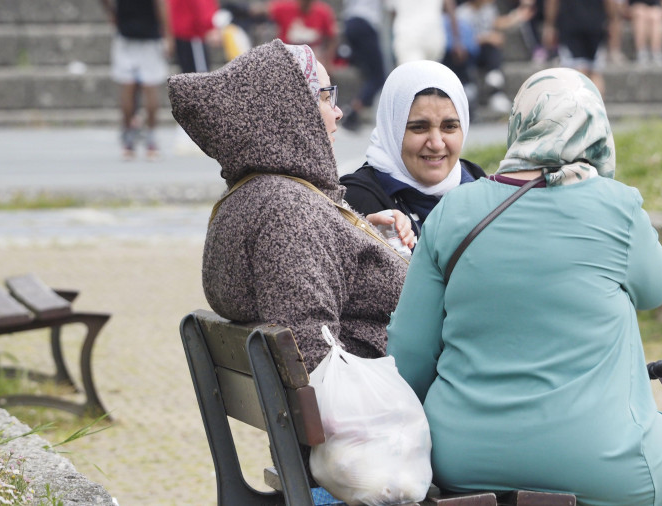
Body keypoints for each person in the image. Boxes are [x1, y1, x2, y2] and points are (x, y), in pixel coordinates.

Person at [386, 68, 662, 505]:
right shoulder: (615, 205)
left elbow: (410, 354)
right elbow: (658, 286)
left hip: (465, 457)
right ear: (596, 130)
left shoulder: (454, 209)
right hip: (600, 462)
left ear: (519, 125)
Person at [168, 40, 413, 372]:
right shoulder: (289, 214)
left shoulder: (259, 198)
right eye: (326, 97)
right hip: (390, 400)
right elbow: (314, 356)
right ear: (290, 110)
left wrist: (358, 237)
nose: (338, 111)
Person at [340, 60, 487, 239]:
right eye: (419, 127)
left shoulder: (477, 184)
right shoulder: (357, 201)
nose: (437, 143)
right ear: (392, 130)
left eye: (449, 127)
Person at [99, 0, 174, 160]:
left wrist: (112, 13)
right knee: (150, 87)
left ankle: (128, 139)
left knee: (127, 87)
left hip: (126, 34)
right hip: (150, 37)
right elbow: (161, 4)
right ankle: (151, 139)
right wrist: (168, 35)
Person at [442, 0, 534, 114]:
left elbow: (497, 23)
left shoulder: (488, 9)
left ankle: (495, 89)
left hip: (485, 52)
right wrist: (487, 38)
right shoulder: (463, 13)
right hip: (469, 52)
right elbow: (465, 40)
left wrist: (517, 16)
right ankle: (479, 89)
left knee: (492, 50)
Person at [542, 0, 614, 96]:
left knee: (577, 73)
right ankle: (598, 108)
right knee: (596, 72)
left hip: (571, 24)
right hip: (596, 25)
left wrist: (549, 25)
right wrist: (612, 21)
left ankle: (581, 108)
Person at [339, 0, 387, 132]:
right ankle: (352, 111)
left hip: (350, 23)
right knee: (378, 77)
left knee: (366, 73)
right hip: (366, 23)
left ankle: (353, 109)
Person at [167, 0, 221, 74]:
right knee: (200, 76)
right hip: (193, 34)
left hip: (183, 31)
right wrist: (209, 27)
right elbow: (200, 5)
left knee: (189, 74)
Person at [629, 0, 662, 66]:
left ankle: (656, 51)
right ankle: (642, 51)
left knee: (656, 15)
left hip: (654, 6)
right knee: (640, 14)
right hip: (635, 6)